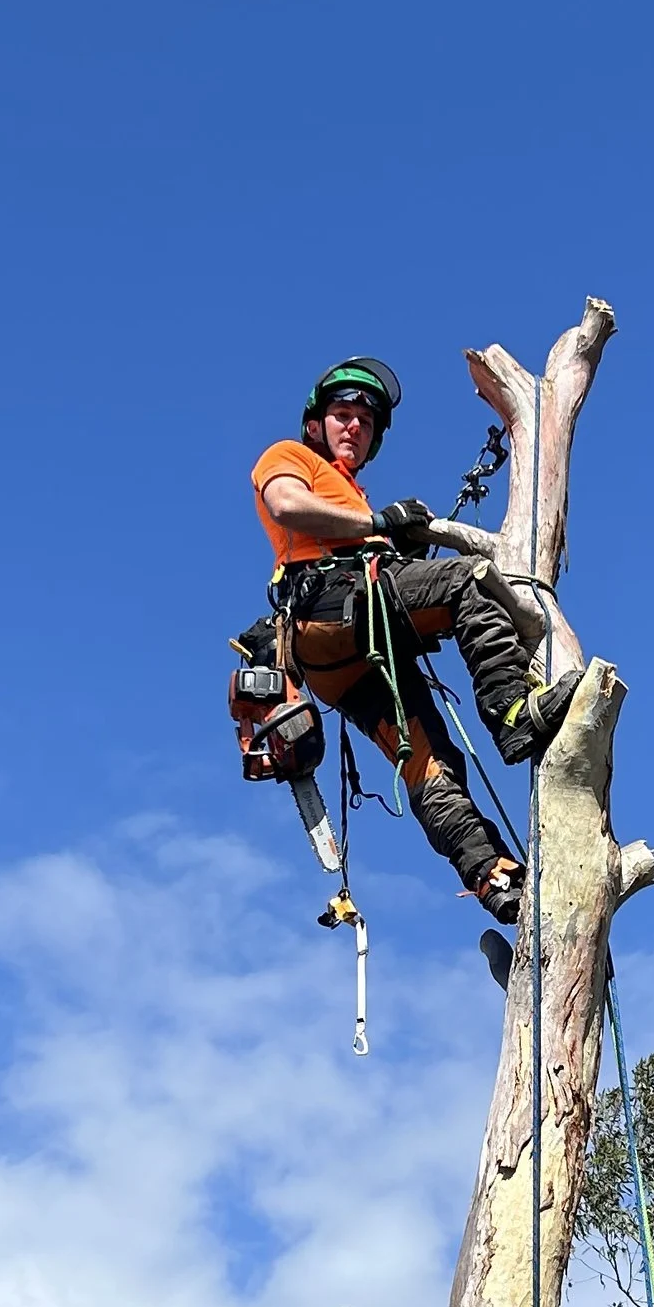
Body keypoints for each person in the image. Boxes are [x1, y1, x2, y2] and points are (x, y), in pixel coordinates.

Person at [249, 356, 578, 923]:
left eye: (365, 421)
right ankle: (510, 712)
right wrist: (380, 528)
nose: (353, 426)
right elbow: (286, 506)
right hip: (333, 608)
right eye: (342, 415)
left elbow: (357, 539)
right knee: (467, 582)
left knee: (430, 763)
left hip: (344, 657)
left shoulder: (351, 496)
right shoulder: (291, 457)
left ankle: (495, 878)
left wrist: (392, 542)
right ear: (316, 425)